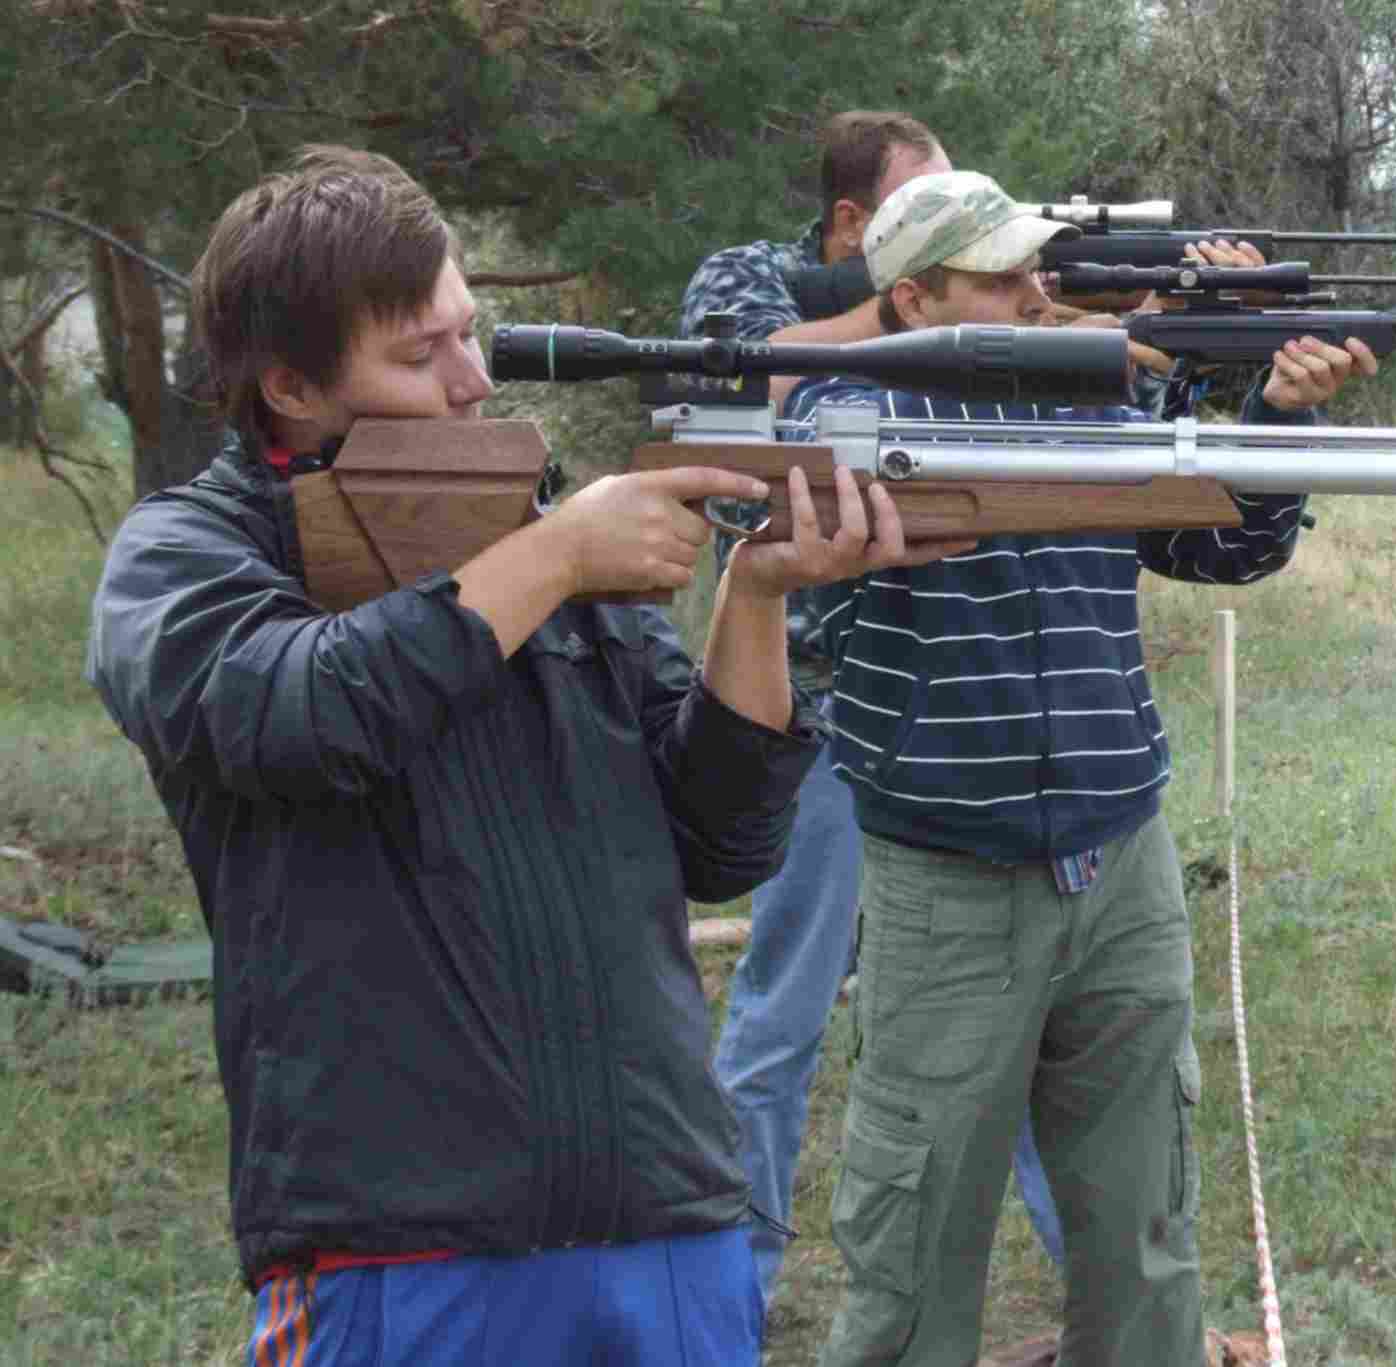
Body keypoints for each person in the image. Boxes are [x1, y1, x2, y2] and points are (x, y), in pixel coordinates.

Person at [83, 145, 963, 1367]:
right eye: (418, 354)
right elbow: (295, 711)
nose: (473, 379)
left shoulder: (528, 531)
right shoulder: (189, 552)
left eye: (468, 332)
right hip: (398, 1246)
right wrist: (551, 558)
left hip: (667, 1214)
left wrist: (753, 597)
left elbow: (717, 841)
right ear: (289, 384)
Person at [785, 170, 1379, 1367]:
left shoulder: (1091, 402)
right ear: (912, 302)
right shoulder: (843, 413)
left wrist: (1264, 409)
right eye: (1000, 279)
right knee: (912, 1253)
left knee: (1144, 1236)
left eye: (1037, 269)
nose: (1037, 291)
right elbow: (842, 466)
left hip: (1122, 864)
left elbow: (1222, 546)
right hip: (947, 883)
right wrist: (1121, 355)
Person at [677, 111, 1071, 1306]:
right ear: (856, 229)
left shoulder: (963, 311)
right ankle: (730, 1295)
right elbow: (747, 371)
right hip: (819, 719)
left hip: (953, 711)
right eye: (919, 222)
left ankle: (1107, 1299)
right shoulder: (749, 280)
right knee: (781, 1013)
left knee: (1015, 1028)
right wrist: (925, 315)